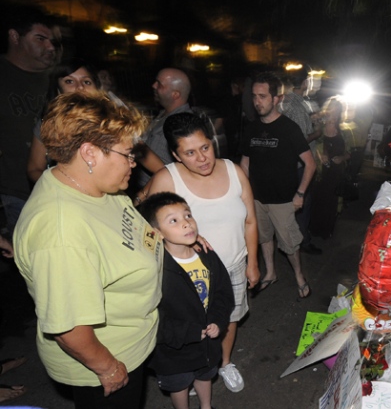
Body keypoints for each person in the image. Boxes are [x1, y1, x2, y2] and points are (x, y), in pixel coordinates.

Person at [13, 91, 164, 409]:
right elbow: (70, 329)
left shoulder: (93, 185)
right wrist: (109, 369)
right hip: (107, 360)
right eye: (127, 154)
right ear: (90, 153)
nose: (134, 163)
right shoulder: (61, 232)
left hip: (134, 335)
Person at [140, 112, 259, 393]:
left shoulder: (234, 170)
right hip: (186, 274)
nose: (202, 158)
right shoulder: (166, 178)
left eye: (205, 147)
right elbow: (146, 231)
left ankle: (224, 363)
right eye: (190, 153)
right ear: (175, 154)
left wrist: (252, 262)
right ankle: (194, 371)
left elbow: (251, 220)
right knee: (193, 326)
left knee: (228, 317)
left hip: (232, 264)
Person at [138, 192, 234, 409]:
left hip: (207, 344)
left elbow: (223, 292)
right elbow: (151, 316)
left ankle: (206, 406)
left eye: (188, 215)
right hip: (173, 351)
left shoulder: (207, 254)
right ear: (157, 232)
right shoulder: (154, 269)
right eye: (173, 220)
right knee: (179, 385)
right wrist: (186, 333)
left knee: (205, 375)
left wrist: (218, 321)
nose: (186, 224)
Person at [240, 72, 315, 298]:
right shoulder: (251, 128)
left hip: (283, 199)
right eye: (254, 96)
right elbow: (244, 163)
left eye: (263, 96)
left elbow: (310, 164)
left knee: (289, 244)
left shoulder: (289, 128)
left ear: (276, 99)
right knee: (264, 237)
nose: (257, 101)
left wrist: (300, 194)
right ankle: (271, 272)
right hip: (257, 198)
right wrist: (244, 194)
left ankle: (299, 275)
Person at [0, 6, 60, 234]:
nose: (50, 47)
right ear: (15, 37)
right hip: (14, 192)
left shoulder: (59, 79)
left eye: (52, 41)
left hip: (59, 190)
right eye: (41, 39)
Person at [26, 58, 101, 183]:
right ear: (58, 91)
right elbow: (34, 169)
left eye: (87, 82)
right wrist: (63, 188)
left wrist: (139, 198)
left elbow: (143, 156)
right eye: (70, 81)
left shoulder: (114, 123)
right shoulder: (48, 125)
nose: (80, 87)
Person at [279, 73, 322, 255]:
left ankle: (289, 239)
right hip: (300, 163)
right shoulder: (296, 105)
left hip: (287, 161)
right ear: (305, 83)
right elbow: (301, 139)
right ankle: (301, 241)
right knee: (302, 201)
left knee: (290, 203)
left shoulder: (285, 101)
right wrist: (317, 133)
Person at [136, 68, 193, 187]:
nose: (154, 86)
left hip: (160, 191)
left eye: (160, 85)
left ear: (175, 94)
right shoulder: (164, 114)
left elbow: (171, 170)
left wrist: (133, 143)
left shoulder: (182, 124)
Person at [309, 97, 351, 239]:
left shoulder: (343, 131)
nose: (334, 113)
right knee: (317, 201)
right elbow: (308, 145)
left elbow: (349, 153)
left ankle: (327, 231)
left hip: (336, 174)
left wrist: (342, 158)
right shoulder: (318, 127)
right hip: (319, 172)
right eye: (332, 109)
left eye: (337, 111)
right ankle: (313, 230)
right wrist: (319, 155)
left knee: (331, 203)